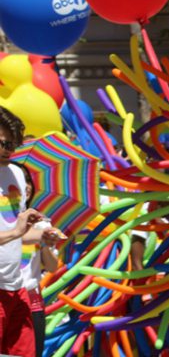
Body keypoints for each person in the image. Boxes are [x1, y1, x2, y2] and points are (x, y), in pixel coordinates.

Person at [0, 106, 55, 357]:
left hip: (16, 286)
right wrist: (16, 232)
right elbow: (13, 231)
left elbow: (15, 229)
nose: (8, 151)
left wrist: (41, 235)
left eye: (12, 144)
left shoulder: (16, 175)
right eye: (2, 143)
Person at [11, 161, 59, 355]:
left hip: (32, 304)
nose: (27, 185)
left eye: (28, 180)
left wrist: (45, 242)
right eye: (22, 180)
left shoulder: (42, 224)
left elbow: (53, 266)